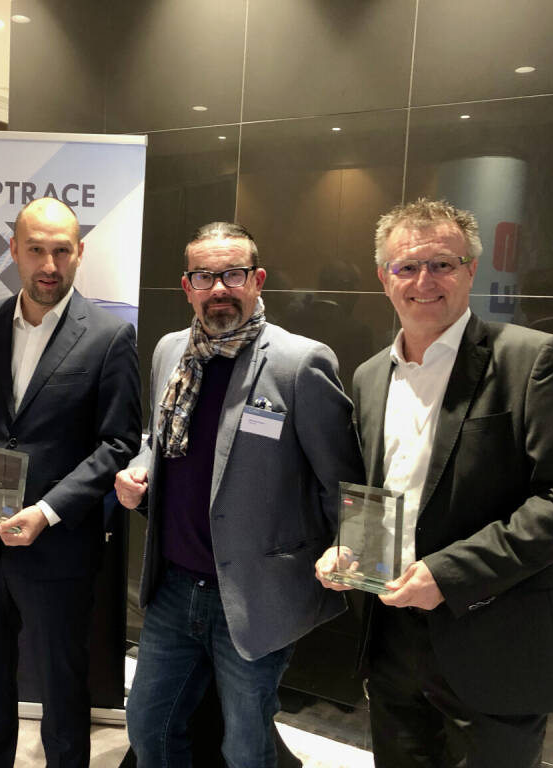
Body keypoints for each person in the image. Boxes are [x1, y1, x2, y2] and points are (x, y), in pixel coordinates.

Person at [315, 198, 553, 767]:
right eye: (407, 266)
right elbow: (384, 490)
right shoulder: (370, 375)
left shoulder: (531, 359)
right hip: (392, 641)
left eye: (442, 264)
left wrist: (448, 575)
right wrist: (348, 550)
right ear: (384, 278)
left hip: (493, 641)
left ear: (471, 270)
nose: (424, 281)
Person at [116, 222, 364, 767]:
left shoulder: (300, 363)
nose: (219, 289)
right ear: (187, 286)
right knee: (150, 727)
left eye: (233, 274)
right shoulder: (169, 351)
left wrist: (349, 548)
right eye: (205, 277)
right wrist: (137, 470)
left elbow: (343, 481)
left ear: (257, 280)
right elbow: (156, 439)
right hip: (173, 585)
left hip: (254, 593)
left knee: (245, 747)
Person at [0, 197, 141, 767]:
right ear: (13, 251)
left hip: (58, 549)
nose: (49, 265)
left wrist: (47, 511)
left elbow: (118, 443)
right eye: (35, 250)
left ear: (80, 253)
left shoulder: (109, 336)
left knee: (63, 690)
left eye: (61, 251)